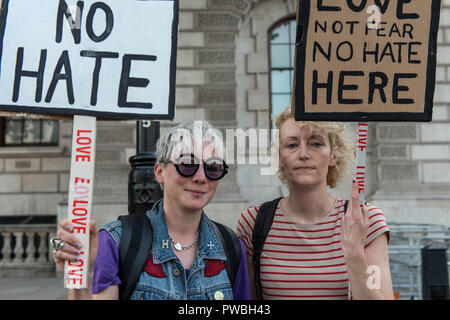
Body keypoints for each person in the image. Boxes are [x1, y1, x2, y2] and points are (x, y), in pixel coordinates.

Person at [53, 120, 251, 300]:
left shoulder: (230, 246)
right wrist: (80, 276)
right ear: (159, 171)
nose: (201, 177)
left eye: (213, 168)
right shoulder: (116, 241)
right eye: (187, 164)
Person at [237, 106, 394, 300]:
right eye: (292, 145)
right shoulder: (253, 223)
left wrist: (354, 255)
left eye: (316, 144)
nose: (303, 154)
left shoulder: (364, 220)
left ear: (333, 155)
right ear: (279, 158)